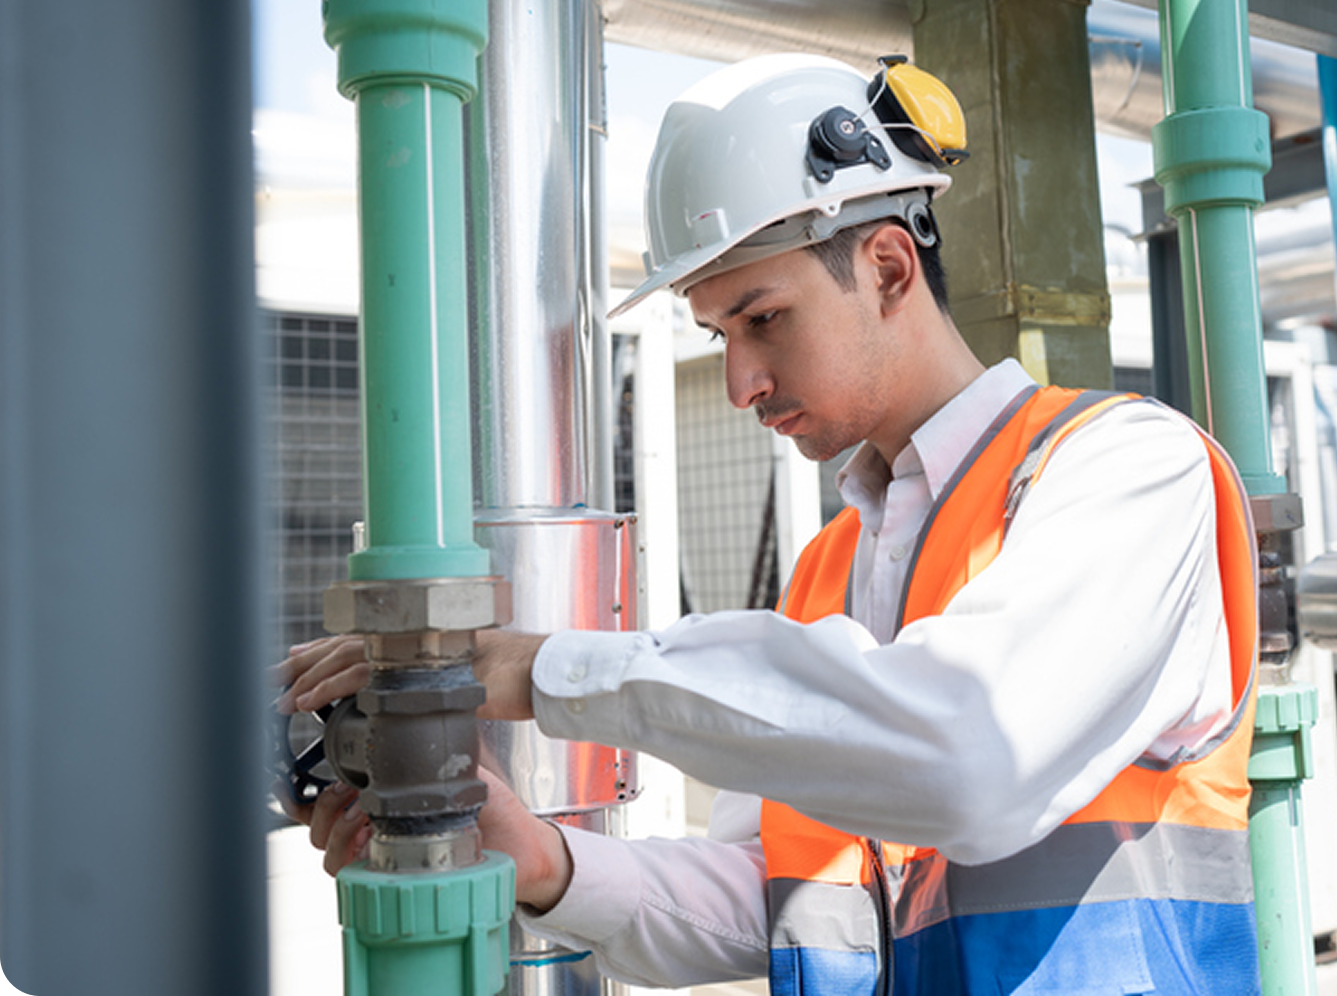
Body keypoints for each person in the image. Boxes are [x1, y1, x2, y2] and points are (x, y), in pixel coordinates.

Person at [279, 52, 1262, 994]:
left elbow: (974, 756)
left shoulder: (1128, 469)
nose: (741, 382)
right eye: (720, 334)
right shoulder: (829, 571)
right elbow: (786, 898)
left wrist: (548, 670)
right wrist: (540, 858)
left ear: (888, 268)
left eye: (763, 319)